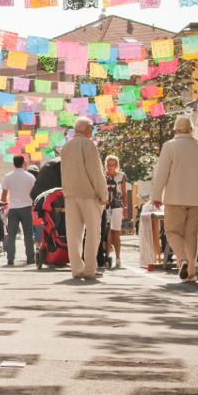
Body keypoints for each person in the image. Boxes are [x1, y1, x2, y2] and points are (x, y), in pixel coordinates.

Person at [150, 117, 198, 282]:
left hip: (174, 197)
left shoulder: (169, 146)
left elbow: (162, 174)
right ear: (191, 130)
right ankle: (191, 272)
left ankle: (182, 259)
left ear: (176, 130)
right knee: (191, 236)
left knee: (172, 232)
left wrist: (156, 196)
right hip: (197, 197)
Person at [60, 117, 109, 280]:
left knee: (74, 234)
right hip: (88, 194)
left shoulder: (66, 145)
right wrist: (103, 194)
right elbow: (95, 171)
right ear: (87, 129)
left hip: (70, 193)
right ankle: (89, 269)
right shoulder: (88, 144)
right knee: (93, 233)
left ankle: (76, 269)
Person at [0, 155, 38, 266]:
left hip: (12, 208)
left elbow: (4, 194)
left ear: (13, 164)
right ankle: (30, 258)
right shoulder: (31, 177)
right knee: (28, 234)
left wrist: (3, 208)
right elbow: (34, 193)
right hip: (26, 207)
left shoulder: (8, 176)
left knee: (11, 233)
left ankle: (10, 258)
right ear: (24, 163)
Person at [104, 155, 129, 268]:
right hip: (105, 205)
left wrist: (126, 208)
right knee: (106, 233)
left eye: (113, 165)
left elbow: (124, 193)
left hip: (118, 205)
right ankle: (107, 256)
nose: (110, 167)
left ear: (116, 165)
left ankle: (118, 258)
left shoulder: (121, 176)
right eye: (108, 164)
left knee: (115, 232)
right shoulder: (103, 176)